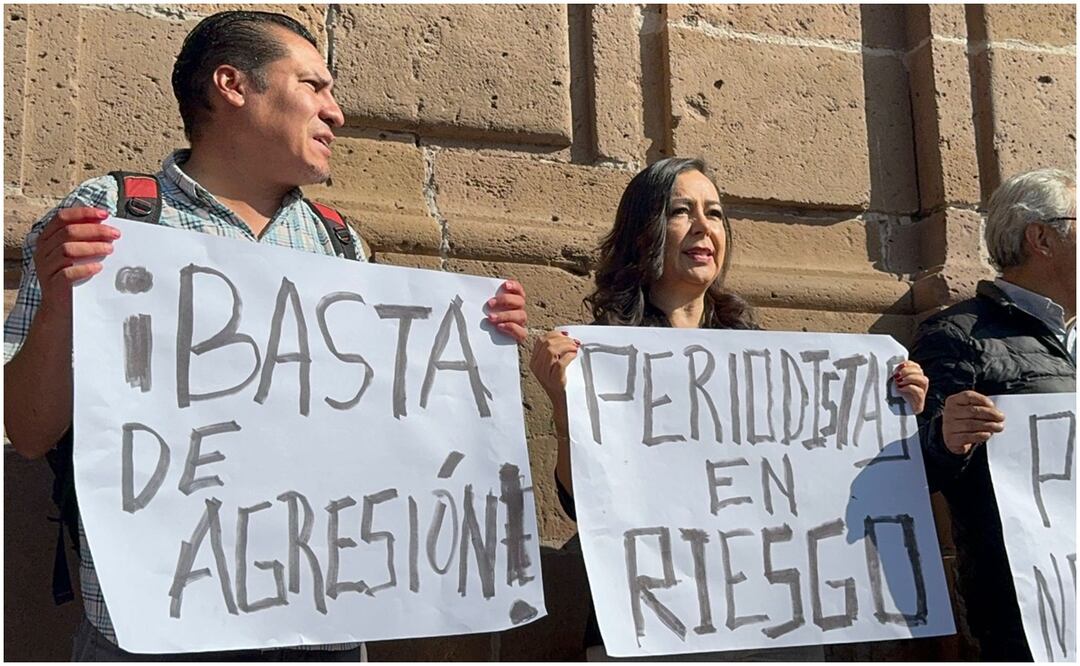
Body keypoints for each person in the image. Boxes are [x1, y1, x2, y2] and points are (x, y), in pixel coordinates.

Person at [3, 10, 528, 661]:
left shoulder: (337, 243)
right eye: (313, 85)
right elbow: (30, 432)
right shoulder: (112, 218)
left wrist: (476, 345)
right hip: (159, 632)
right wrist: (59, 307)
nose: (335, 112)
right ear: (232, 85)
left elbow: (386, 433)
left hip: (323, 627)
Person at [530, 157, 929, 661]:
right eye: (681, 211)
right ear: (642, 232)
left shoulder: (764, 360)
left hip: (767, 624)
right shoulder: (601, 358)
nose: (703, 226)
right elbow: (580, 505)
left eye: (714, 213)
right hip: (652, 624)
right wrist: (564, 405)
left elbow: (823, 483)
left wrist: (893, 412)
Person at [909, 168, 1076, 661]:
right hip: (1029, 611)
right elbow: (911, 471)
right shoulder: (958, 336)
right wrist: (947, 439)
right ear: (1041, 238)